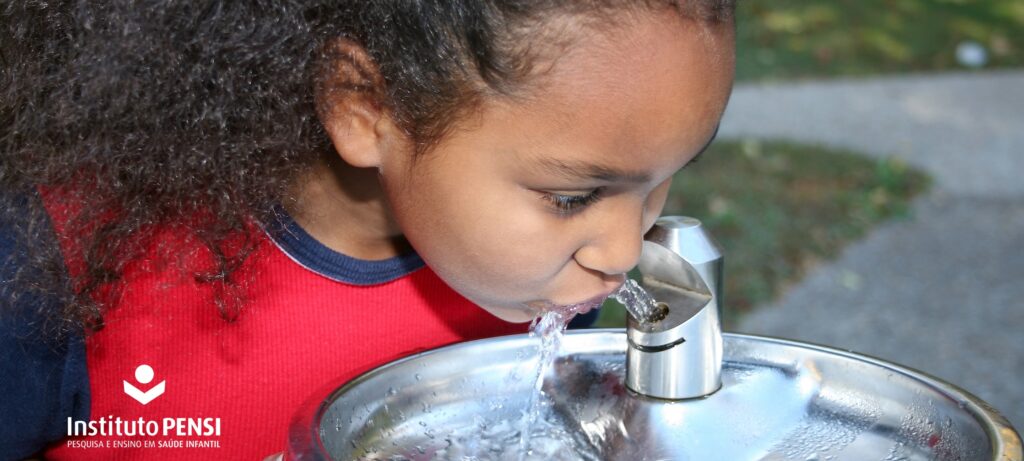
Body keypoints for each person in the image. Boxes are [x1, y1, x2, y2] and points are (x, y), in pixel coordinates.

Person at [0, 1, 736, 459]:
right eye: (574, 197)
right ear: (362, 105)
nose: (623, 253)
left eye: (659, 182)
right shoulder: (59, 268)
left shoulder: (541, 289)